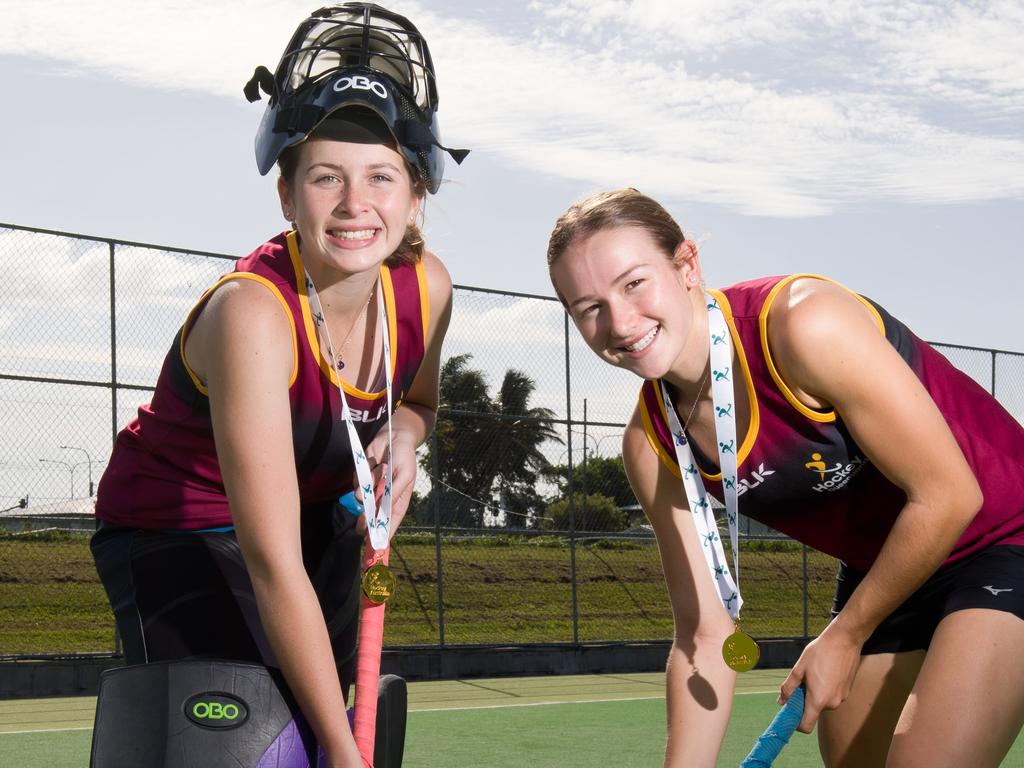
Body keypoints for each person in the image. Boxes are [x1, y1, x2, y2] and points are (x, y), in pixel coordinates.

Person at [90, 4, 465, 766]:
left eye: (382, 179)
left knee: (315, 718)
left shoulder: (428, 288)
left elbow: (418, 403)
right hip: (180, 526)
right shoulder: (252, 316)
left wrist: (408, 434)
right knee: (253, 736)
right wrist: (345, 755)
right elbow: (270, 562)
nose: (356, 205)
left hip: (313, 515)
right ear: (287, 196)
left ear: (417, 196)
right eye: (326, 177)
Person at [546, 188, 1024, 767]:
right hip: (894, 564)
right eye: (588, 308)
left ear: (687, 264)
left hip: (1003, 534)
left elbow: (949, 495)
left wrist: (845, 635)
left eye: (634, 283)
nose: (619, 322)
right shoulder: (650, 447)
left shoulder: (804, 324)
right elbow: (704, 639)